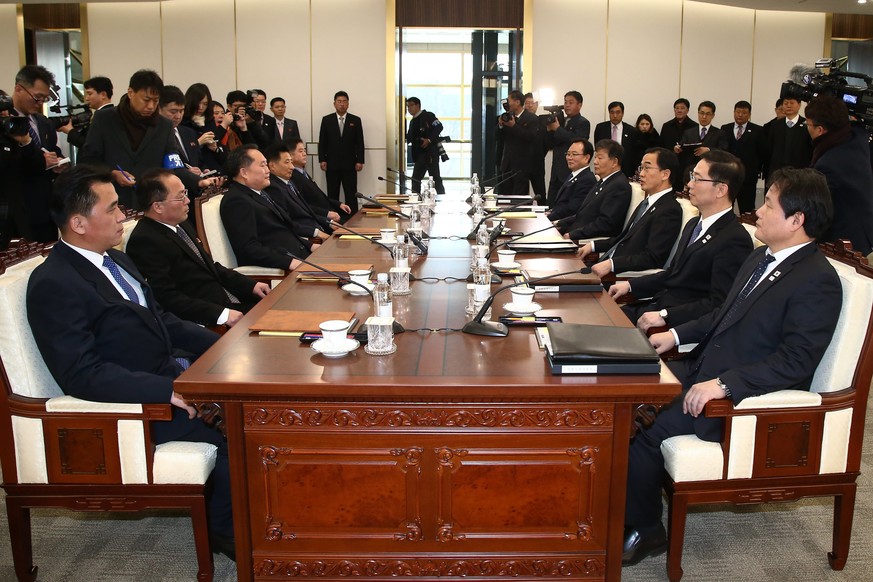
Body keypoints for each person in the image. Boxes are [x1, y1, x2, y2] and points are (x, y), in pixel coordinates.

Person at [624, 167, 842, 566]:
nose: (757, 211)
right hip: (700, 367)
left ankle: (647, 530)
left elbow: (797, 360)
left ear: (797, 220)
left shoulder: (817, 280)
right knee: (622, 401)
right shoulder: (761, 256)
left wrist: (723, 384)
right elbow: (722, 315)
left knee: (643, 431)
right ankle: (617, 506)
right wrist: (674, 336)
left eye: (769, 205)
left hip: (740, 400)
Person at [26, 165, 236, 560]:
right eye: (113, 209)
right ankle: (225, 532)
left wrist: (226, 348)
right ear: (78, 222)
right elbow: (82, 374)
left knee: (255, 411)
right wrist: (167, 390)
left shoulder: (117, 262)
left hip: (170, 375)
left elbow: (164, 322)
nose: (124, 216)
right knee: (234, 437)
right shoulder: (55, 283)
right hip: (133, 406)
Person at [609, 150, 753, 330]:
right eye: (692, 177)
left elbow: (718, 304)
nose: (689, 184)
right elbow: (673, 273)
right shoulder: (693, 224)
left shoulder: (734, 239)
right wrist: (631, 285)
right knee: (598, 319)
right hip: (658, 305)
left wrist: (666, 316)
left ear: (721, 189)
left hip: (677, 323)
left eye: (697, 179)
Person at [126, 169, 269, 328]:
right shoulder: (145, 241)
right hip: (208, 317)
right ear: (158, 206)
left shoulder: (181, 224)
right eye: (180, 196)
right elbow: (166, 298)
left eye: (185, 193)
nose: (187, 200)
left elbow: (210, 266)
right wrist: (221, 314)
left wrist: (250, 285)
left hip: (231, 300)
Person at [79, 69, 181, 210]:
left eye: (156, 101)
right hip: (112, 202)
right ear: (131, 93)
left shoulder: (164, 125)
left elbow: (173, 164)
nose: (151, 106)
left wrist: (198, 181)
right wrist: (112, 173)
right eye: (146, 100)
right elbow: (87, 160)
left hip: (151, 204)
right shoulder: (104, 119)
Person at [577, 147, 682, 278]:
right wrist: (592, 245)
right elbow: (622, 239)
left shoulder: (669, 210)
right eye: (641, 168)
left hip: (618, 275)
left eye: (647, 168)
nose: (641, 174)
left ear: (665, 174)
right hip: (605, 264)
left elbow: (652, 258)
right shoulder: (647, 203)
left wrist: (612, 264)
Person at [220, 145, 312, 270]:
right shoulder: (236, 201)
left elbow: (285, 229)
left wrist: (310, 246)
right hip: (287, 267)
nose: (268, 170)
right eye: (263, 165)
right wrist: (290, 263)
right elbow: (250, 249)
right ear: (244, 173)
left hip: (302, 256)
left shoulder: (260, 192)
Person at [804, 95, 873, 255]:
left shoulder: (829, 163)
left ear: (820, 130)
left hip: (845, 241)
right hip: (864, 231)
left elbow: (817, 207)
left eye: (807, 124)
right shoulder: (856, 138)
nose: (807, 128)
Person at [11, 64, 66, 242]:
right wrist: (41, 160)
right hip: (16, 209)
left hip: (45, 207)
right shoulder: (6, 122)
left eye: (44, 99)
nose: (40, 103)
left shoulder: (43, 122)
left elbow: (53, 150)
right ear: (19, 89)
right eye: (37, 98)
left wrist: (59, 162)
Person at [556, 139, 632, 242]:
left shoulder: (618, 186)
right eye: (595, 157)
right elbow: (582, 215)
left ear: (614, 162)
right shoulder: (603, 181)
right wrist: (558, 224)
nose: (595, 162)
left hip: (586, 241)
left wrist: (571, 235)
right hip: (574, 233)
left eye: (600, 158)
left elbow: (604, 224)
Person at [264, 142, 333, 241]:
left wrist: (330, 222)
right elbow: (288, 222)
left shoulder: (289, 183)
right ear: (272, 166)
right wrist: (316, 233)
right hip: (311, 237)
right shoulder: (273, 188)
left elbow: (307, 211)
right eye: (287, 162)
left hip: (320, 229)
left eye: (291, 162)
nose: (292, 167)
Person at [318, 90, 365, 214]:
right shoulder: (327, 120)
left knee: (351, 193)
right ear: (334, 104)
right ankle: (335, 218)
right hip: (331, 163)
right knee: (332, 193)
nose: (342, 104)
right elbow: (322, 141)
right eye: (339, 101)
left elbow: (359, 142)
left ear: (348, 104)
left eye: (344, 101)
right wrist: (322, 159)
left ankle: (353, 218)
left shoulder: (355, 120)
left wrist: (360, 160)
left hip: (350, 164)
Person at [288, 138, 351, 224]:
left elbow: (321, 196)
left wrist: (339, 204)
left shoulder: (303, 173)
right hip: (321, 219)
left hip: (330, 213)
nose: (304, 154)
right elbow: (303, 205)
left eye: (304, 151)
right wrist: (327, 214)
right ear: (290, 156)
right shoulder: (292, 176)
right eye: (300, 151)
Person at [545, 90, 591, 206]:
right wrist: (549, 131)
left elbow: (577, 140)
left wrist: (558, 129)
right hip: (556, 171)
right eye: (565, 102)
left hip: (570, 171)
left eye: (571, 102)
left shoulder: (583, 122)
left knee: (566, 205)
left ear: (579, 105)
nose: (567, 105)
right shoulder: (561, 121)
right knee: (551, 204)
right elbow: (551, 144)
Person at [721, 100, 763, 213]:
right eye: (738, 112)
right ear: (734, 112)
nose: (740, 115)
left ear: (749, 115)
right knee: (726, 206)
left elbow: (761, 152)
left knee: (747, 209)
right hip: (728, 176)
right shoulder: (725, 128)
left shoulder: (758, 130)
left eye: (744, 112)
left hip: (748, 177)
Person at [496, 89, 538, 196]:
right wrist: (500, 125)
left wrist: (514, 126)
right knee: (504, 196)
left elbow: (530, 137)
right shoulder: (508, 117)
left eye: (509, 100)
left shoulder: (531, 118)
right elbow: (498, 138)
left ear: (517, 102)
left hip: (522, 166)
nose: (507, 103)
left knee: (518, 198)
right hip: (507, 164)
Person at [546, 138, 596, 223]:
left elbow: (572, 209)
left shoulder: (587, 180)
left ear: (586, 158)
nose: (569, 158)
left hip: (565, 226)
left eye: (574, 154)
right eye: (568, 154)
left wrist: (547, 218)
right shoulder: (574, 175)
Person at [764, 96, 812, 183]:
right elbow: (770, 149)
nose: (788, 106)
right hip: (778, 172)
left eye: (792, 103)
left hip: (800, 172)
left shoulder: (807, 124)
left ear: (799, 105)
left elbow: (810, 149)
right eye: (786, 103)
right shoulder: (775, 125)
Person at [58, 76, 114, 148]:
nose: (87, 98)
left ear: (103, 94)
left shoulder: (105, 116)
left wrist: (71, 132)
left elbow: (91, 146)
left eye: (90, 94)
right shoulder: (108, 114)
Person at [405, 96, 446, 195]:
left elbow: (439, 126)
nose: (409, 109)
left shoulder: (428, 116)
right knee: (415, 179)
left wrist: (429, 139)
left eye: (410, 105)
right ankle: (416, 199)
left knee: (435, 178)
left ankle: (442, 197)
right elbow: (410, 137)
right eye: (407, 106)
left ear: (417, 105)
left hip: (430, 153)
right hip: (419, 155)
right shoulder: (412, 121)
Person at [675, 101, 727, 175]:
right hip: (691, 170)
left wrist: (708, 150)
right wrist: (677, 148)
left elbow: (723, 151)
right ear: (698, 113)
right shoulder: (689, 132)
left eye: (708, 114)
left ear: (713, 115)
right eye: (702, 113)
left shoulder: (719, 133)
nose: (704, 116)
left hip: (711, 171)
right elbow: (681, 146)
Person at [593, 101, 637, 176]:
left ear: (622, 113)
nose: (615, 115)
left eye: (618, 112)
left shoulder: (631, 130)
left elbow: (633, 153)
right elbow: (598, 147)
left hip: (625, 169)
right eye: (612, 112)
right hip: (604, 167)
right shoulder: (601, 128)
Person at [524, 92, 548, 201]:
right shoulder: (519, 121)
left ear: (537, 104)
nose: (530, 105)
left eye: (532, 103)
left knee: (541, 194)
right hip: (522, 164)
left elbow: (546, 143)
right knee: (521, 195)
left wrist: (540, 154)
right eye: (527, 103)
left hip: (537, 163)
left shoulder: (542, 122)